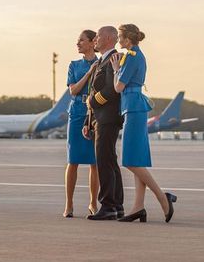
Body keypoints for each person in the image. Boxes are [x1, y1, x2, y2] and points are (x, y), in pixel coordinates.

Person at [107, 23, 177, 223]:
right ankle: (138, 208)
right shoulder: (133, 55)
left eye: (120, 37)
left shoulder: (131, 57)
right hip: (133, 107)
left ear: (128, 39)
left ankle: (163, 197)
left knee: (129, 160)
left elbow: (119, 87)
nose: (118, 41)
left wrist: (115, 69)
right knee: (136, 160)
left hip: (134, 107)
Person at [84, 26, 125, 221]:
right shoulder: (102, 61)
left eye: (98, 36)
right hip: (100, 118)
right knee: (109, 161)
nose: (95, 40)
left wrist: (92, 102)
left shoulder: (113, 59)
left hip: (108, 118)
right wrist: (88, 120)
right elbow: (94, 90)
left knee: (104, 162)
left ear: (108, 38)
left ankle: (108, 205)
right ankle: (116, 205)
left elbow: (111, 90)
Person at [62, 30, 100, 218]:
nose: (77, 44)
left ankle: (93, 202)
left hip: (96, 112)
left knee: (95, 161)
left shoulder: (103, 62)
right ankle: (69, 204)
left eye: (81, 41)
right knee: (73, 160)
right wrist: (88, 74)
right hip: (77, 111)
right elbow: (73, 90)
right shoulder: (74, 65)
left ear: (93, 42)